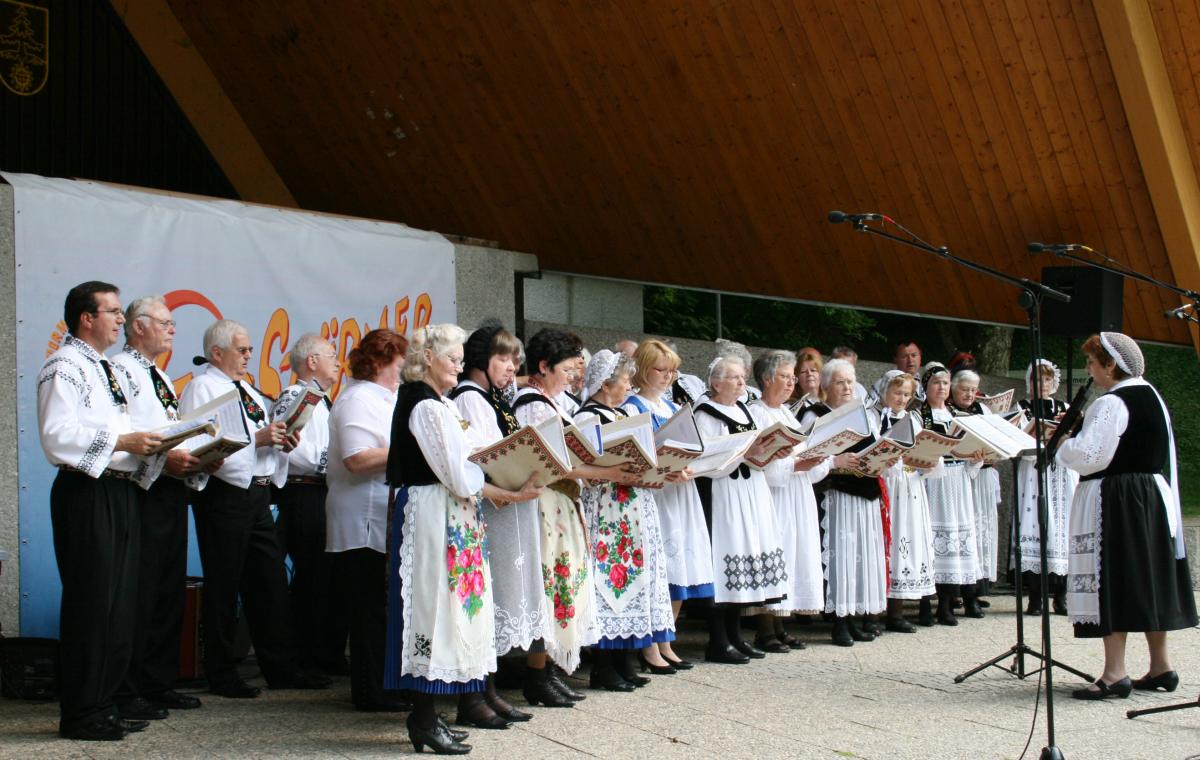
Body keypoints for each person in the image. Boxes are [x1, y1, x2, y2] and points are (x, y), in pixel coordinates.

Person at [383, 324, 540, 753]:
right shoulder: (425, 405)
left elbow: (468, 462)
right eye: (451, 357)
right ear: (427, 358)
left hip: (454, 513)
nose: (457, 364)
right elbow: (456, 472)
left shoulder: (441, 404)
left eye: (458, 358)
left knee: (455, 608)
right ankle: (423, 717)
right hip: (435, 513)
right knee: (432, 608)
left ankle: (434, 715)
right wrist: (507, 492)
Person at [38, 282, 165, 740]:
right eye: (111, 311)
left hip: (119, 488)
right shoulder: (64, 366)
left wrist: (153, 444)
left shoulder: (104, 367)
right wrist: (124, 442)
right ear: (85, 318)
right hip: (86, 489)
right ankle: (81, 712)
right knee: (93, 602)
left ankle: (105, 702)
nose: (119, 319)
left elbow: (123, 427)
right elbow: (56, 435)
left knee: (119, 604)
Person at [181, 319, 328, 698]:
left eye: (249, 349)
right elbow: (203, 442)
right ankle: (222, 670)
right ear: (217, 353)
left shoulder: (246, 388)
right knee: (225, 583)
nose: (249, 356)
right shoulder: (202, 387)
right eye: (242, 349)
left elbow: (259, 438)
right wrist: (259, 438)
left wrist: (280, 441)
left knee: (270, 582)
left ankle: (281, 667)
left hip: (258, 492)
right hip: (224, 493)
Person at [1058, 333, 1197, 700]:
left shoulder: (1112, 402)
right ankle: (1161, 665)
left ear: (1110, 365)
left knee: (1113, 577)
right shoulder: (1152, 396)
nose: (1089, 369)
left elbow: (1092, 456)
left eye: (1092, 362)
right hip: (1150, 494)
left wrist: (1063, 444)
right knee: (1146, 576)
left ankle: (1114, 672)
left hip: (1118, 497)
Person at [510, 328, 637, 705]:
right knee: (550, 584)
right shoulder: (531, 403)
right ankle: (536, 674)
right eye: (566, 367)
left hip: (561, 504)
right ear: (544, 366)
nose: (573, 375)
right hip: (545, 503)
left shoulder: (555, 402)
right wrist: (607, 472)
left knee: (563, 585)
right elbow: (554, 461)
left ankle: (549, 669)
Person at [110, 296, 205, 717]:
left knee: (169, 588)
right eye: (165, 323)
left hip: (169, 488)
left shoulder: (161, 376)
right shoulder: (121, 370)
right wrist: (167, 459)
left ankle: (158, 680)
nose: (172, 330)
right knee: (142, 590)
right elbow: (127, 433)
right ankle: (128, 687)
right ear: (137, 326)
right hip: (142, 489)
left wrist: (199, 454)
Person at [449, 320, 536, 725]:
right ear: (481, 359)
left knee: (490, 602)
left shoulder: (493, 399)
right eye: (502, 358)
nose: (510, 366)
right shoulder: (470, 397)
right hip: (485, 506)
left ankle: (488, 690)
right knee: (483, 603)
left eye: (514, 359)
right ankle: (479, 693)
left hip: (501, 505)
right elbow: (480, 454)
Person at [575, 350, 676, 689]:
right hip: (607, 509)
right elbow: (583, 464)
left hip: (633, 504)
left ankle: (625, 659)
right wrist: (615, 469)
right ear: (606, 383)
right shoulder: (589, 415)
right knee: (610, 581)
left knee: (634, 579)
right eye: (624, 380)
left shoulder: (621, 412)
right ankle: (605, 665)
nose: (629, 385)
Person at [324, 328, 408, 712]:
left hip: (381, 514)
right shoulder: (358, 398)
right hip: (360, 518)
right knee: (368, 608)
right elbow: (357, 459)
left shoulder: (385, 398)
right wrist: (409, 450)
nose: (403, 370)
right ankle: (370, 690)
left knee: (380, 606)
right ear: (379, 363)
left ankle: (384, 683)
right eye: (398, 363)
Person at [622, 339, 711, 670]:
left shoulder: (674, 409)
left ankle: (667, 638)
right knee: (661, 570)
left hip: (679, 492)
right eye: (662, 370)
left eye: (674, 370)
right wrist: (663, 469)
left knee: (680, 569)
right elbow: (635, 457)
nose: (669, 376)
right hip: (655, 495)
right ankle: (650, 644)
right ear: (644, 370)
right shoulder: (633, 408)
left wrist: (688, 464)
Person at [694, 354, 788, 661]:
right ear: (716, 382)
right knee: (726, 563)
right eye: (733, 377)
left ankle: (736, 635)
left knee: (745, 561)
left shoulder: (744, 408)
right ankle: (719, 641)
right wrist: (745, 453)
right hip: (723, 493)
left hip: (749, 491)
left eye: (741, 376)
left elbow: (752, 450)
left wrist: (768, 451)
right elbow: (707, 459)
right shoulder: (705, 412)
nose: (740, 381)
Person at [271, 333, 346, 677]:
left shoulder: (322, 399)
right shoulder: (295, 396)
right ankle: (306, 656)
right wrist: (337, 462)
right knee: (312, 575)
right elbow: (292, 449)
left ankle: (324, 653)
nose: (337, 361)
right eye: (331, 354)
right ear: (311, 362)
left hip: (322, 491)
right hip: (304, 492)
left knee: (327, 577)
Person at [799, 359, 886, 646]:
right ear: (825, 386)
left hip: (865, 493)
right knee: (841, 557)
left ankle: (854, 617)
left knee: (861, 555)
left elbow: (873, 447)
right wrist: (835, 461)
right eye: (840, 382)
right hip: (836, 494)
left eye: (850, 381)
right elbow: (807, 456)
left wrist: (884, 457)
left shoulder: (863, 414)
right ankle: (838, 621)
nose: (847, 387)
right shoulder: (815, 415)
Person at [751, 350, 828, 650]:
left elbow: (800, 450)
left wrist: (818, 458)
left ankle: (780, 625)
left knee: (792, 555)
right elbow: (761, 462)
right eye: (786, 376)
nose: (791, 382)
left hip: (796, 493)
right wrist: (797, 465)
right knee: (775, 554)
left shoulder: (786, 413)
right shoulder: (758, 413)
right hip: (775, 495)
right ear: (768, 378)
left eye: (793, 377)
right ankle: (765, 629)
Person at [874, 371, 938, 630]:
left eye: (906, 394)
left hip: (912, 487)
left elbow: (926, 452)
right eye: (897, 393)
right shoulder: (877, 418)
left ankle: (899, 609)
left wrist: (930, 459)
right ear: (885, 392)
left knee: (909, 542)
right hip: (890, 485)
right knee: (890, 543)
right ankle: (884, 610)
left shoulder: (914, 420)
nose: (901, 399)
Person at [918, 363, 981, 625]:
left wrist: (976, 457)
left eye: (945, 383)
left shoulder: (958, 415)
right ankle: (924, 604)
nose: (942, 387)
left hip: (958, 482)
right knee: (931, 540)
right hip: (934, 482)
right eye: (936, 383)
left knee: (955, 540)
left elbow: (970, 452)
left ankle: (947, 604)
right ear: (926, 387)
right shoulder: (920, 415)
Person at [1015, 360, 1078, 615]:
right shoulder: (1022, 408)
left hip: (1061, 472)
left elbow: (1076, 436)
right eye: (1036, 380)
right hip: (1034, 470)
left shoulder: (1065, 407)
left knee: (1062, 530)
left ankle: (1061, 595)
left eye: (1047, 380)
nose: (1041, 384)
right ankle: (1035, 597)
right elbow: (1015, 436)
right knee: (1037, 527)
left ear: (1054, 383)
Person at [950, 369, 999, 610]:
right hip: (957, 478)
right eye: (964, 389)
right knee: (962, 532)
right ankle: (958, 592)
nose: (969, 394)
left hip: (982, 475)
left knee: (980, 532)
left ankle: (976, 590)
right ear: (953, 388)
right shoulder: (947, 411)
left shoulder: (983, 410)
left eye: (972, 390)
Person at [788, 347, 824, 416]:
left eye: (813, 370)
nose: (809, 374)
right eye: (803, 371)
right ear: (796, 378)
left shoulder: (830, 401)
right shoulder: (789, 406)